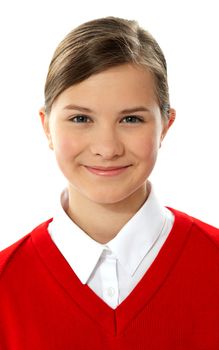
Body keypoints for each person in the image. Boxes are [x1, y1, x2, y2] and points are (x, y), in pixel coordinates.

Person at [0, 16, 218, 350]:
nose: (107, 148)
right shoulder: (6, 284)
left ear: (165, 125)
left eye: (131, 119)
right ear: (46, 127)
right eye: (81, 119)